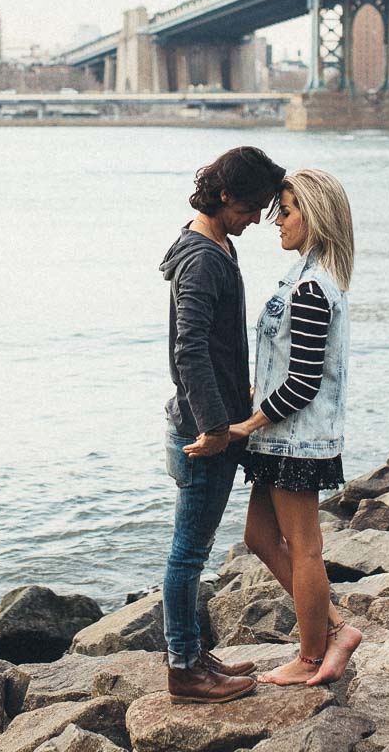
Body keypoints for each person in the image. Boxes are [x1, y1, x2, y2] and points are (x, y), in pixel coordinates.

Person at [225, 168, 362, 686]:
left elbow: (302, 383)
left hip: (294, 439)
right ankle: (338, 630)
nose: (276, 221)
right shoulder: (306, 277)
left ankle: (311, 656)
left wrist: (246, 425)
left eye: (285, 211)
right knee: (260, 536)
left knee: (304, 548)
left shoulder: (310, 288)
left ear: (315, 214)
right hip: (281, 437)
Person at [160, 145, 285, 704]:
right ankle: (184, 668)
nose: (258, 219)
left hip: (208, 419)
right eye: (253, 206)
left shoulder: (213, 244)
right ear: (226, 194)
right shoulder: (206, 257)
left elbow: (214, 345)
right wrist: (215, 426)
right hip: (201, 433)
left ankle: (192, 651)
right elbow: (188, 350)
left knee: (194, 549)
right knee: (188, 553)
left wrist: (244, 393)